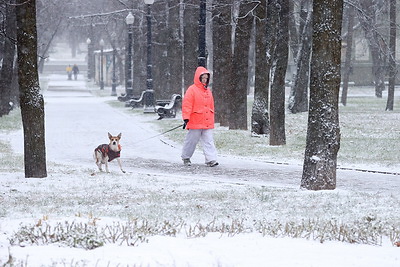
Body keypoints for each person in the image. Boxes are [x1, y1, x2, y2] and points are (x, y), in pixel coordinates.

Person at [181, 66, 218, 167]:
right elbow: (187, 105)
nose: (205, 80)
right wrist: (186, 117)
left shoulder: (208, 91)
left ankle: (211, 159)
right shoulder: (192, 90)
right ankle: (186, 157)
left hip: (207, 121)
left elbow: (211, 105)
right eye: (203, 78)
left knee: (208, 140)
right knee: (191, 140)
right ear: (199, 77)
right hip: (195, 120)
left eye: (206, 78)